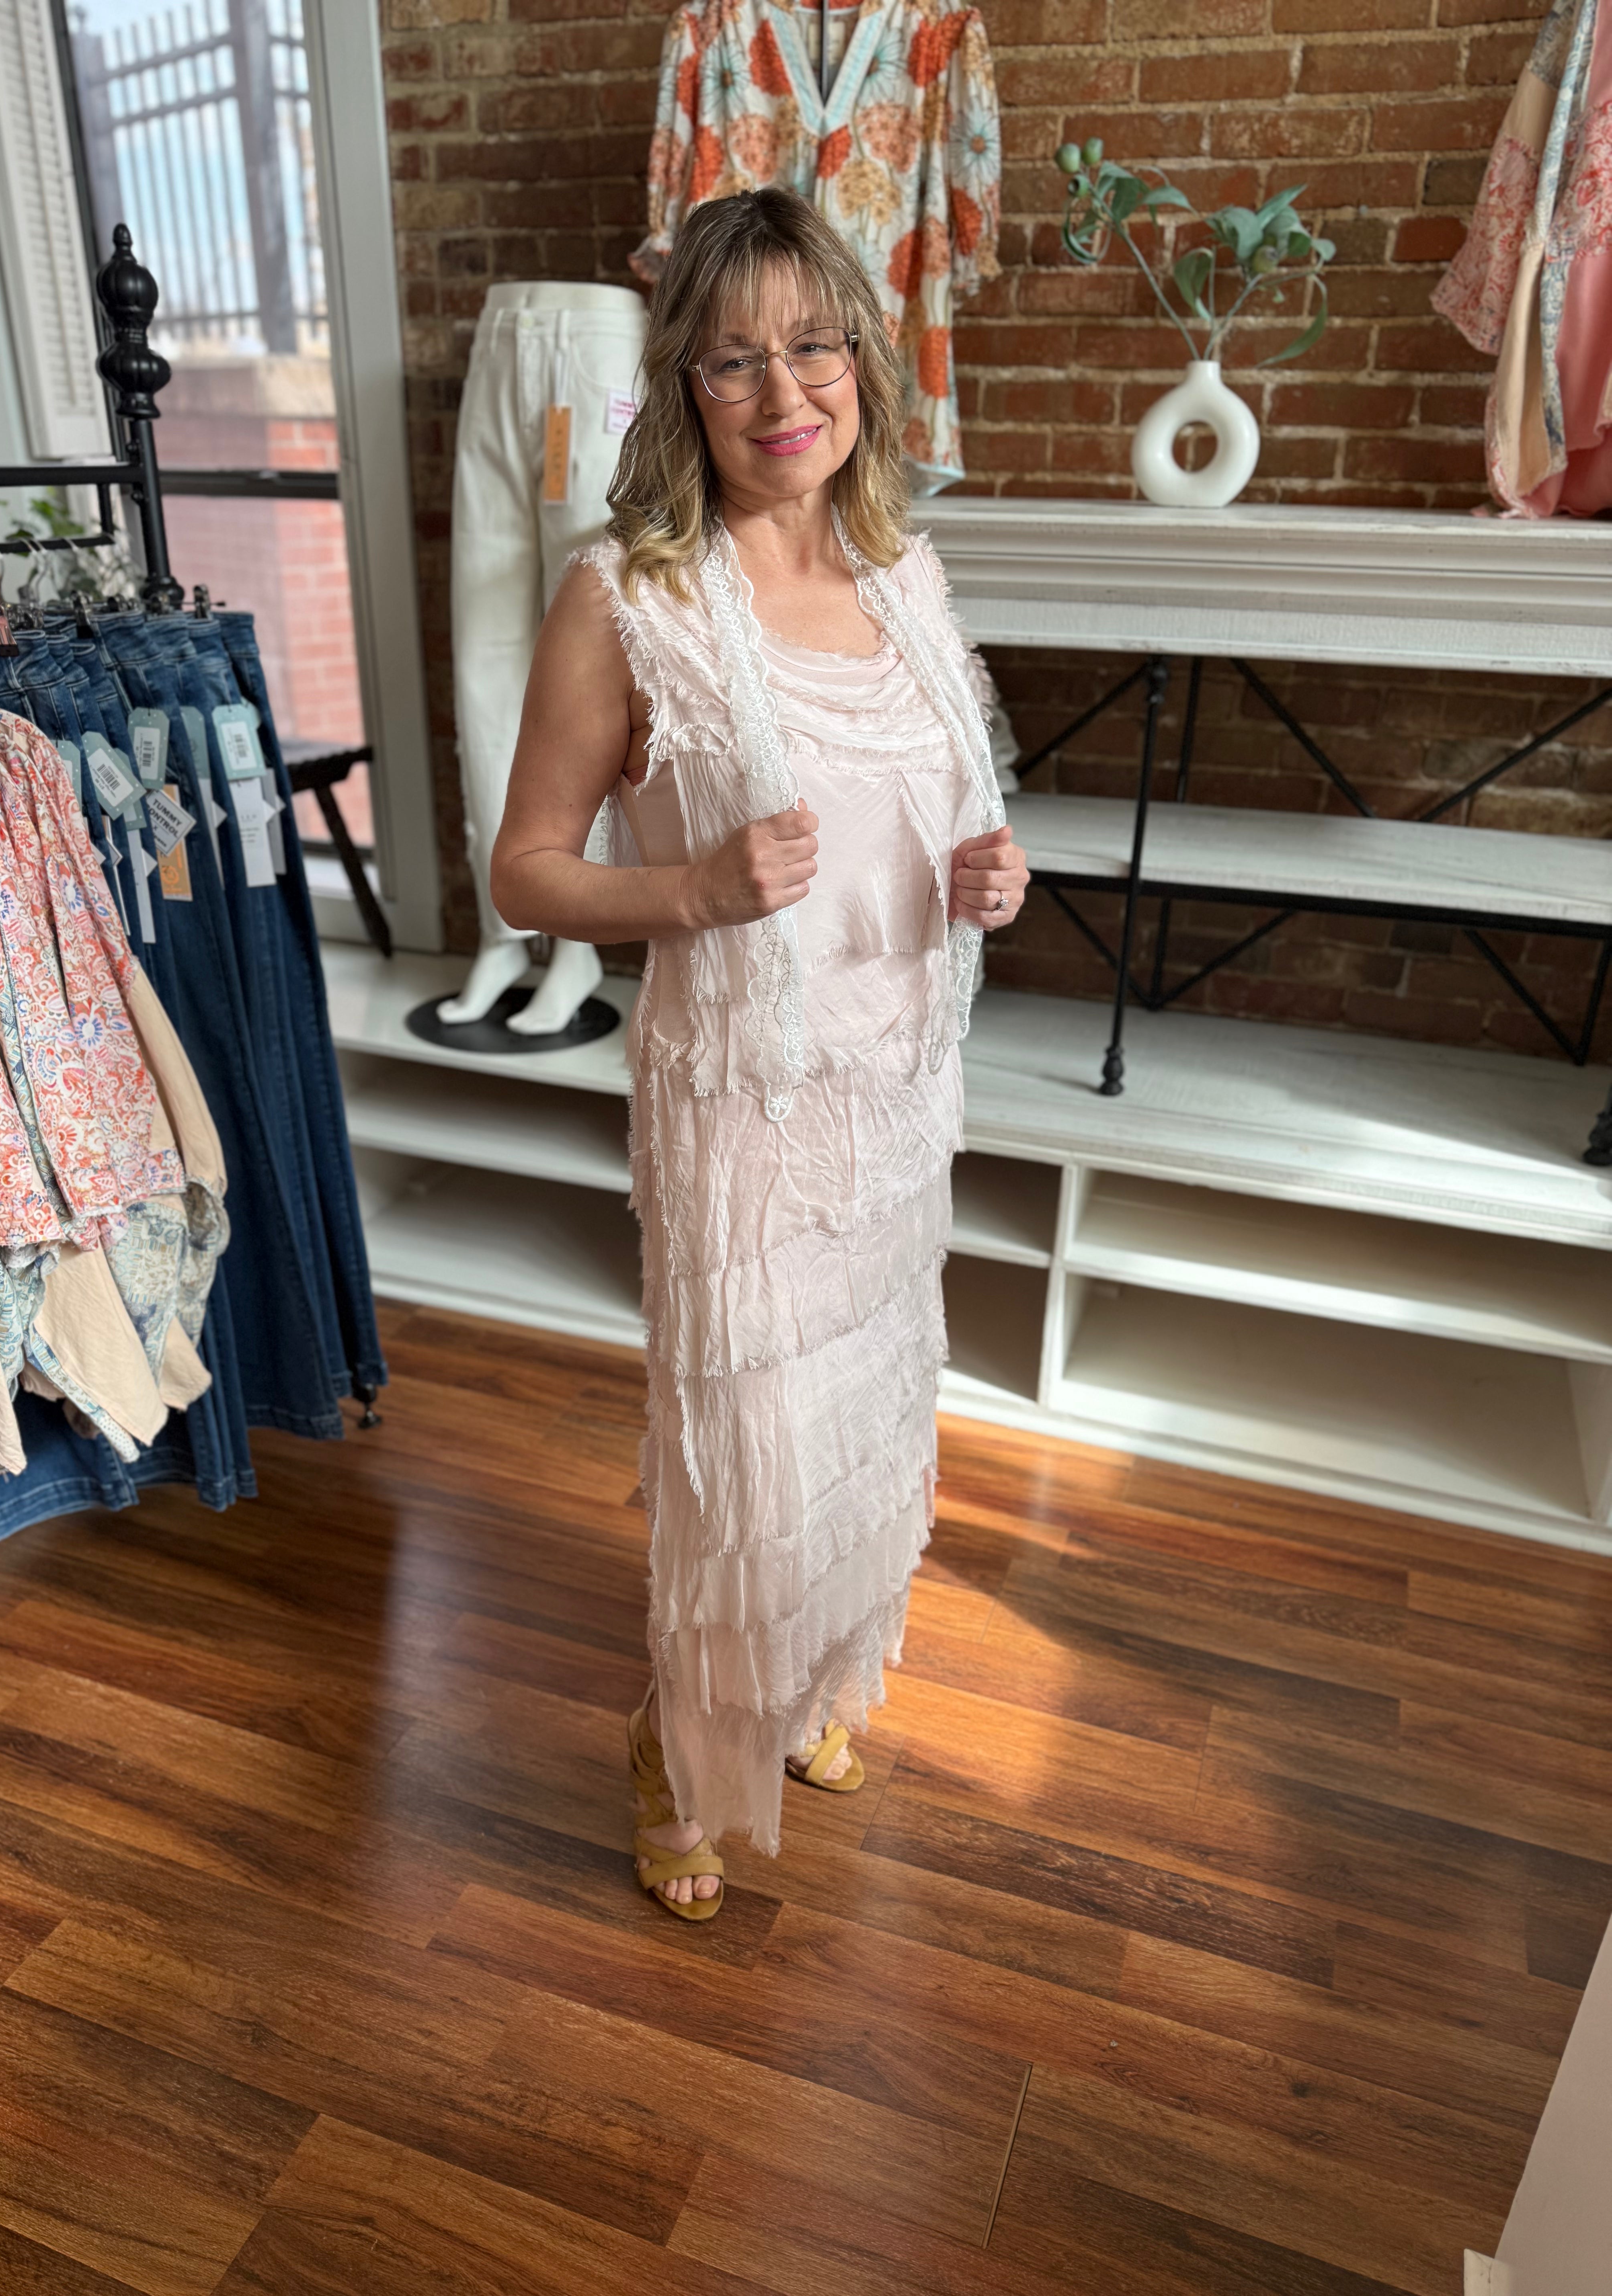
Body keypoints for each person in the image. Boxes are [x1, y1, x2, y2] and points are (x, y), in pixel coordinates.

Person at [491, 187, 1028, 1919]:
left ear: (862, 359)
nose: (783, 388)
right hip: (743, 1114)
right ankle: (680, 1744)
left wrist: (986, 872)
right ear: (684, 389)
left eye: (812, 344)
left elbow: (929, 817)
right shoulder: (629, 600)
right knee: (751, 1467)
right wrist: (693, 886)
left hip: (891, 1098)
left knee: (866, 1419)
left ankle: (802, 1694)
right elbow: (523, 870)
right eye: (735, 359)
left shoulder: (903, 573)